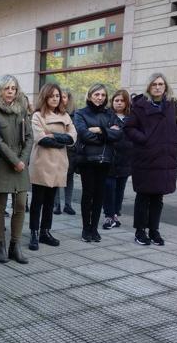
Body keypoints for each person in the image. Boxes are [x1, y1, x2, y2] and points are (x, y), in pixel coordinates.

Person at [124, 73, 177, 245]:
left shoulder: (173, 104)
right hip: (145, 158)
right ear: (149, 87)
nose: (158, 87)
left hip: (165, 158)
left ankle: (154, 230)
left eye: (161, 84)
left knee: (158, 197)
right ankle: (139, 231)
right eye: (154, 84)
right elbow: (129, 128)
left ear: (165, 86)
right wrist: (145, 139)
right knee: (143, 196)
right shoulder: (139, 105)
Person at [0, 75, 33, 264]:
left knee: (21, 205)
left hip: (20, 165)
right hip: (1, 163)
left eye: (13, 88)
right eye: (7, 88)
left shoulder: (21, 110)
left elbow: (30, 137)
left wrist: (21, 160)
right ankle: (1, 245)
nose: (10, 92)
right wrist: (15, 160)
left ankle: (15, 245)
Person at [28, 83, 76, 250]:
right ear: (45, 97)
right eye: (52, 96)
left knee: (50, 202)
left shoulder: (65, 116)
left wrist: (54, 135)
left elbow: (72, 138)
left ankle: (45, 232)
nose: (55, 99)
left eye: (57, 96)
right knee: (37, 201)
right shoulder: (37, 116)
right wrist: (61, 139)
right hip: (41, 163)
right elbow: (41, 139)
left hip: (58, 164)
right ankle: (34, 233)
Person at [74, 83, 122, 243]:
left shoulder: (110, 114)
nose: (100, 98)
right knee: (88, 195)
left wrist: (99, 130)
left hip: (105, 160)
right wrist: (106, 134)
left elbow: (118, 134)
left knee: (100, 195)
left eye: (102, 95)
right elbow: (84, 135)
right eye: (96, 95)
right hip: (87, 160)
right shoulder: (80, 113)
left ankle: (94, 228)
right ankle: (85, 228)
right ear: (89, 96)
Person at [102, 90, 133, 230]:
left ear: (126, 102)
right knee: (109, 188)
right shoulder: (107, 116)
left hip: (126, 159)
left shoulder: (131, 118)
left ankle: (115, 214)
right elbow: (102, 132)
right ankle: (108, 215)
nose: (119, 103)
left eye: (122, 100)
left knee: (120, 189)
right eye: (116, 100)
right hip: (110, 159)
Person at [53, 88, 78, 215]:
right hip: (57, 148)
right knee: (57, 177)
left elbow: (74, 134)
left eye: (63, 97)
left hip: (71, 151)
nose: (60, 99)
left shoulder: (74, 114)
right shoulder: (54, 113)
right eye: (58, 96)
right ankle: (56, 204)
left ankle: (68, 204)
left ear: (68, 99)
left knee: (69, 177)